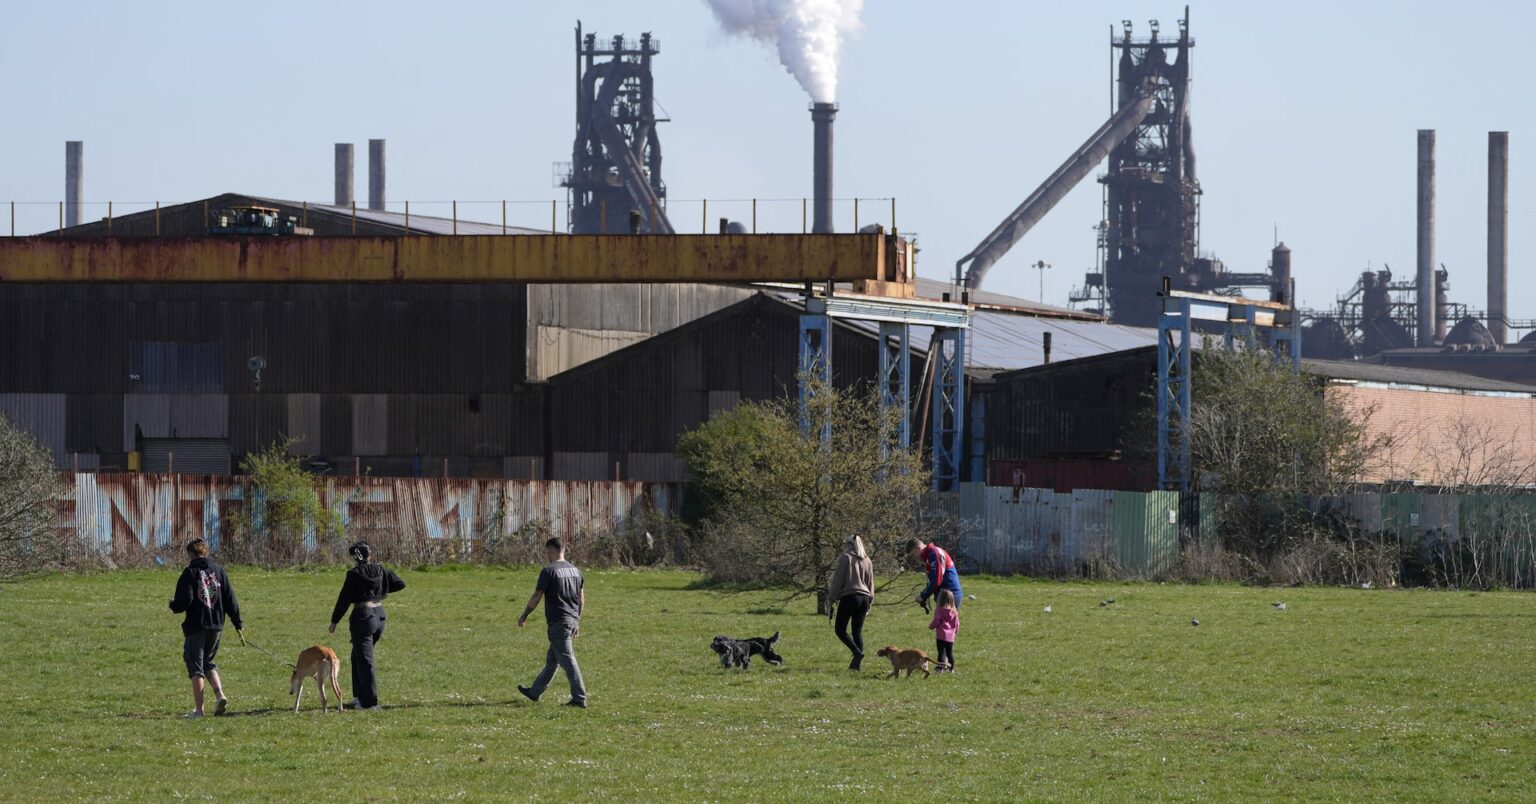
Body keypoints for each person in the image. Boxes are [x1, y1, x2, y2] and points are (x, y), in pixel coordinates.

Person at [168, 538, 242, 718]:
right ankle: (220, 695)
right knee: (208, 662)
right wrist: (237, 622)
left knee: (195, 667)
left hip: (197, 625)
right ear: (205, 552)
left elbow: (185, 600)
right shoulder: (219, 570)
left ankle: (199, 711)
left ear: (191, 554)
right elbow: (230, 598)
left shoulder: (190, 572)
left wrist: (174, 606)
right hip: (217, 625)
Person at [329, 541, 405, 711]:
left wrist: (334, 621)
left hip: (363, 617)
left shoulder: (354, 574)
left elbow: (344, 600)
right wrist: (379, 591)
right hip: (379, 616)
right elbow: (400, 583)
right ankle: (359, 698)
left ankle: (370, 703)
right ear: (369, 554)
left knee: (365, 660)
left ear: (356, 557)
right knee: (357, 656)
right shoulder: (380, 569)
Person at [516, 538, 587, 708]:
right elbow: (581, 599)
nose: (547, 555)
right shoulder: (575, 571)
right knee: (553, 660)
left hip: (558, 622)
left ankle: (579, 698)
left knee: (568, 661)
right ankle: (534, 692)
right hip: (570, 620)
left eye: (547, 552)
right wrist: (576, 620)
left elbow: (537, 596)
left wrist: (525, 615)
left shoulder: (549, 571)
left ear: (551, 551)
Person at [828, 534, 874, 670]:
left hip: (850, 597)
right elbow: (871, 582)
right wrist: (870, 600)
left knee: (840, 629)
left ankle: (857, 653)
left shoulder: (846, 558)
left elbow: (838, 580)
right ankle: (856, 666)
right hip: (865, 599)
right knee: (857, 632)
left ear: (848, 545)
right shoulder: (868, 561)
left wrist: (832, 598)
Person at [906, 538, 963, 612]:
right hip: (945, 595)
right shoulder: (930, 556)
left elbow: (936, 580)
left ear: (917, 548)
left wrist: (923, 595)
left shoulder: (935, 554)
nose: (915, 558)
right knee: (943, 623)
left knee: (944, 623)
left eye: (913, 555)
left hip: (949, 595)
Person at [928, 589, 959, 672]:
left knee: (941, 652)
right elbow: (957, 623)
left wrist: (931, 626)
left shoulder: (939, 610)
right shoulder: (954, 611)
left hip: (941, 635)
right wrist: (956, 632)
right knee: (949, 653)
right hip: (951, 636)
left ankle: (940, 668)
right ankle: (951, 669)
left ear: (940, 599)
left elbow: (937, 620)